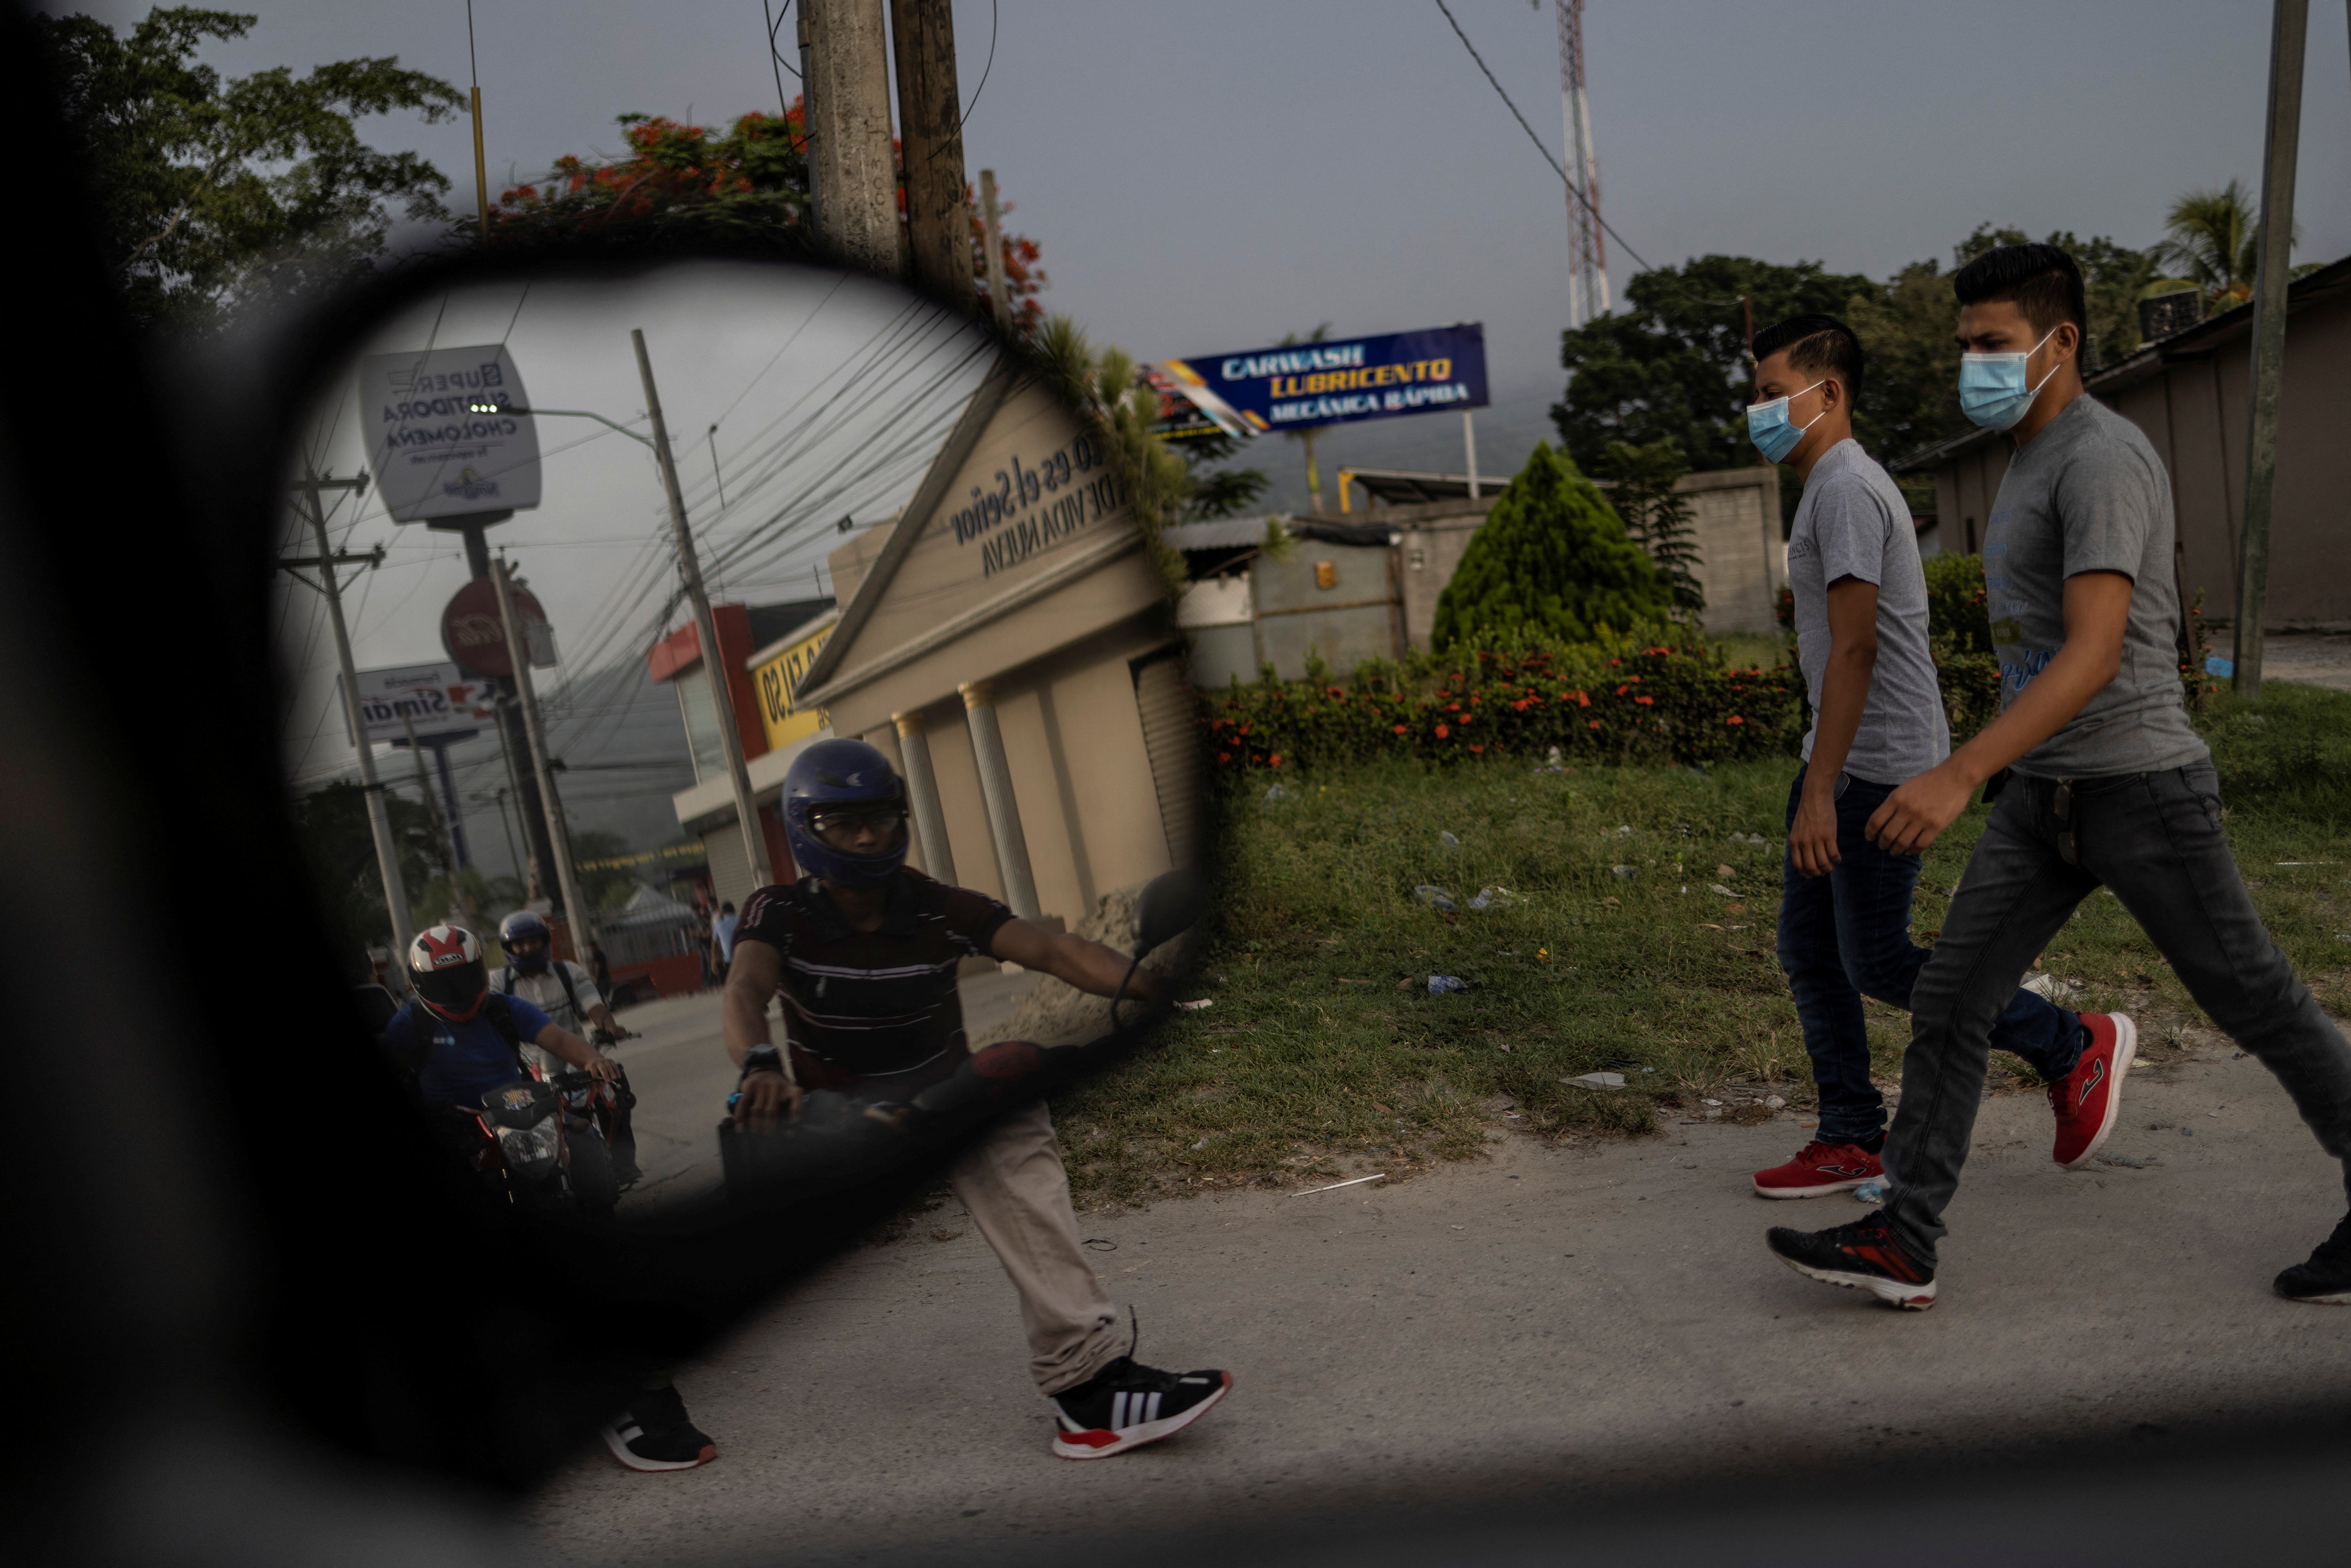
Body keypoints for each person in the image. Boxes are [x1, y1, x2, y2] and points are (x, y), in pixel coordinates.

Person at [1767, 243, 2351, 1310]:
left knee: (2255, 999)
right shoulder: (2021, 462)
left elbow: (2091, 651)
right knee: (1947, 998)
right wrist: (1999, 767)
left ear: (2059, 339)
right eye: (1964, 347)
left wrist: (1955, 772)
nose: (1973, 364)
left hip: (2140, 788)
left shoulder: (2100, 458)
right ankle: (1908, 1232)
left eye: (1992, 344)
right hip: (2043, 798)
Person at [725, 738, 1233, 1458]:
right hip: (830, 1119)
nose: (868, 835)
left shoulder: (933, 905)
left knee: (1012, 1096)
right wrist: (757, 1065)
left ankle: (1089, 1386)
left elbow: (1055, 951)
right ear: (807, 829)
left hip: (933, 1106)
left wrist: (1157, 988)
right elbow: (745, 986)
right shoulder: (779, 910)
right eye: (845, 821)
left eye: (879, 816)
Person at [1742, 313, 2109, 1202]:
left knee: (1875, 959)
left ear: (1827, 393)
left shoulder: (1844, 490)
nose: (1755, 413)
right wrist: (1816, 772)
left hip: (1879, 763)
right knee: (1811, 948)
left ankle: (2073, 1046)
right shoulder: (1829, 487)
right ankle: (1850, 1135)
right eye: (1751, 397)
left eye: (1767, 394)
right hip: (1843, 755)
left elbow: (1858, 649)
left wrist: (1823, 789)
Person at [379, 925, 718, 1470]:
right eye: (445, 980)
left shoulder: (502, 1006)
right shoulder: (409, 1023)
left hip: (522, 1113)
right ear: (420, 982)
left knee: (592, 1167)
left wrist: (593, 1062)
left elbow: (559, 1039)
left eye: (466, 975)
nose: (460, 988)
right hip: (460, 1135)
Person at [496, 910, 641, 1188]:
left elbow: (593, 1004)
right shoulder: (498, 983)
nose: (527, 948)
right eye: (519, 944)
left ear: (544, 941)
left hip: (578, 1063)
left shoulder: (568, 971)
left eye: (533, 941)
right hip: (530, 1072)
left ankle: (623, 1163)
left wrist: (608, 1026)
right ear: (509, 948)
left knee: (615, 1088)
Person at [711, 899, 739, 984]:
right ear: (734, 910)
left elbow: (714, 945)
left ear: (723, 913)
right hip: (742, 957)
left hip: (728, 960)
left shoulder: (718, 925)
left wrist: (714, 960)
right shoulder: (741, 921)